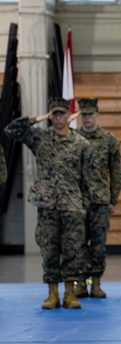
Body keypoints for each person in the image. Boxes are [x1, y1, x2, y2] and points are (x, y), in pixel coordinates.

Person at [5, 98, 96, 309]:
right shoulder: (40, 138)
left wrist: (85, 205)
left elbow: (88, 178)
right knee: (49, 250)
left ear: (68, 116)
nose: (57, 118)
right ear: (50, 115)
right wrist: (38, 118)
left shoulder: (81, 144)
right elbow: (11, 130)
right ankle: (52, 294)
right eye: (54, 114)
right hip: (47, 204)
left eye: (61, 114)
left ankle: (70, 294)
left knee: (72, 250)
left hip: (71, 205)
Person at [73, 98, 121, 299]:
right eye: (83, 115)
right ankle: (81, 283)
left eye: (90, 114)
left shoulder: (109, 139)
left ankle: (96, 282)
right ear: (80, 116)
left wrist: (113, 198)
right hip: (79, 201)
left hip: (101, 200)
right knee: (79, 244)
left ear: (97, 115)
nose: (87, 118)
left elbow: (115, 171)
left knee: (99, 245)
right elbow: (70, 172)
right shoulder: (73, 138)